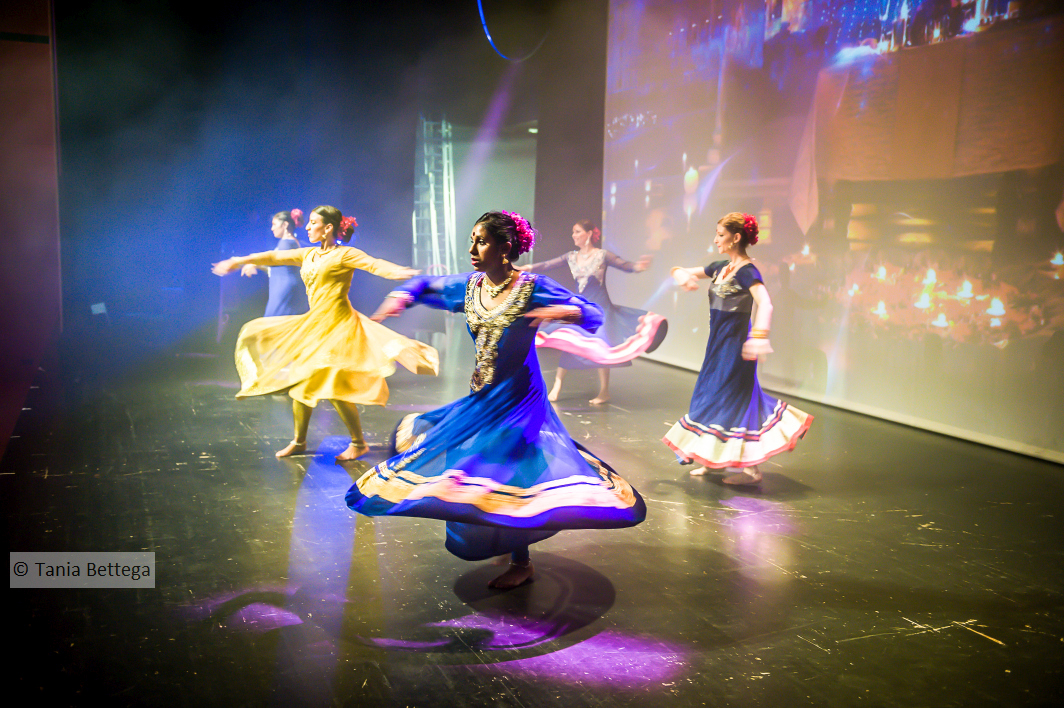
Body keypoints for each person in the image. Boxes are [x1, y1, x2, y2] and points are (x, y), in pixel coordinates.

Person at [347, 211, 646, 589]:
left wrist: (563, 310)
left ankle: (522, 562)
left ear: (505, 248)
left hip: (521, 396)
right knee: (474, 462)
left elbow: (592, 312)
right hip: (484, 393)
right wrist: (401, 298)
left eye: (482, 241)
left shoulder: (532, 287)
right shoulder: (471, 286)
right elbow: (425, 285)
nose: (472, 249)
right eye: (472, 240)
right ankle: (503, 535)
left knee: (512, 469)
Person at [212, 205, 439, 462]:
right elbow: (273, 257)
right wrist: (239, 261)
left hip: (340, 327)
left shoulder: (344, 254)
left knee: (331, 386)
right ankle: (300, 441)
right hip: (316, 325)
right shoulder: (308, 254)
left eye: (313, 222)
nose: (308, 227)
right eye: (308, 222)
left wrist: (398, 272)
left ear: (328, 227)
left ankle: (357, 443)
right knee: (302, 383)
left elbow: (373, 264)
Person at [664, 212, 812, 484]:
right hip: (717, 345)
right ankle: (712, 461)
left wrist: (759, 337)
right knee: (711, 396)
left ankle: (752, 469)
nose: (716, 239)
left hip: (737, 347)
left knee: (734, 401)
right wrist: (681, 276)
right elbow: (680, 269)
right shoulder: (721, 267)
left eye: (720, 235)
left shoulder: (747, 271)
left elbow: (765, 303)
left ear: (736, 237)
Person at [517, 220, 667, 405]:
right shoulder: (571, 256)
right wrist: (527, 268)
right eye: (573, 232)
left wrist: (638, 266)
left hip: (601, 308)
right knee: (569, 341)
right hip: (580, 307)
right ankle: (557, 386)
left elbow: (624, 265)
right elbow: (548, 264)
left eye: (577, 231)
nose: (573, 235)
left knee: (601, 348)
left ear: (588, 234)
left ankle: (604, 391)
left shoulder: (602, 255)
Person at [240, 209, 310, 317]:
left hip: (284, 292)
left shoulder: (285, 244)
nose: (272, 228)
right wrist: (257, 265)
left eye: (274, 224)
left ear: (285, 225)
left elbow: (273, 260)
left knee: (274, 322)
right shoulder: (292, 243)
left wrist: (252, 262)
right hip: (290, 291)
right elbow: (277, 268)